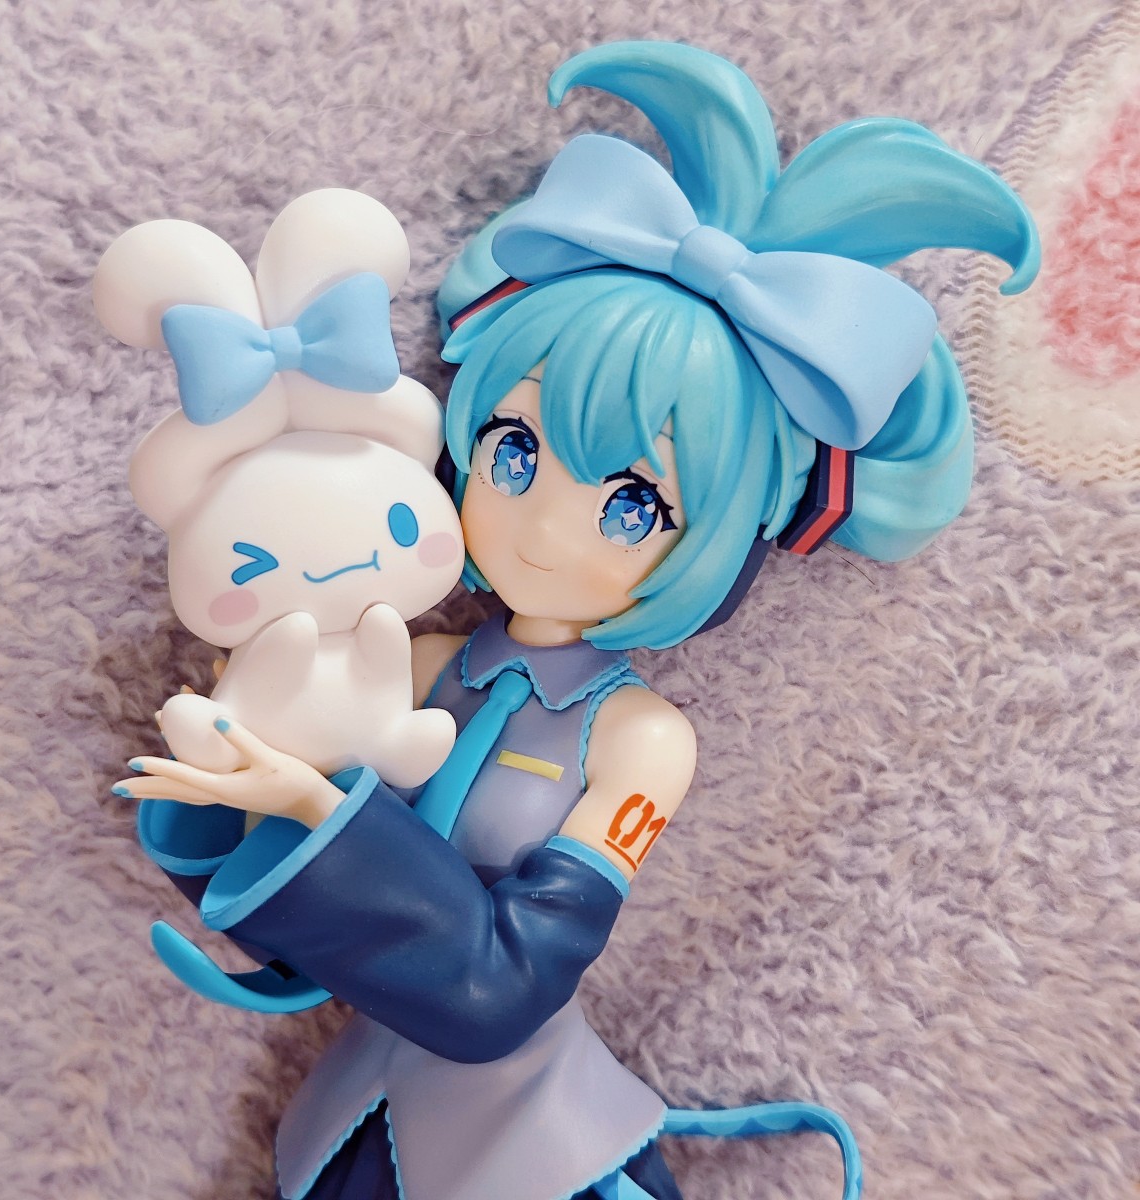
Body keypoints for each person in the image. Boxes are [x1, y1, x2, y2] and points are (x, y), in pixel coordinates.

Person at [116, 40, 1037, 1200]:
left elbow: (502, 990)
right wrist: (232, 776)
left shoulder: (639, 740)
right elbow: (287, 914)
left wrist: (313, 807)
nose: (545, 526)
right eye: (514, 449)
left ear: (724, 537)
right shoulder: (423, 659)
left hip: (535, 1152)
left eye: (634, 503)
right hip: (349, 1125)